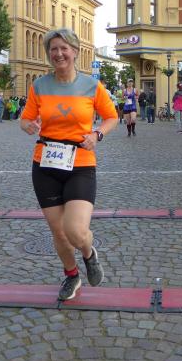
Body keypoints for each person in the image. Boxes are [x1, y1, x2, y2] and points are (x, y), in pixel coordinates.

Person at [19, 28, 118, 301]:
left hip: (80, 163)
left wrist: (97, 134)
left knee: (75, 230)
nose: (59, 54)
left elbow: (111, 116)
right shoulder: (39, 86)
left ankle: (88, 253)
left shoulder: (91, 86)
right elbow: (25, 118)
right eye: (53, 49)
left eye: (64, 48)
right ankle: (72, 275)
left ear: (75, 51)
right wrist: (28, 125)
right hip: (46, 164)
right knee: (59, 232)